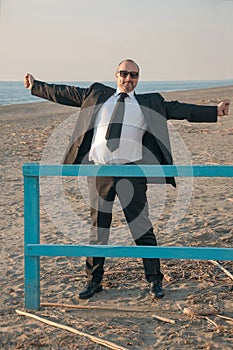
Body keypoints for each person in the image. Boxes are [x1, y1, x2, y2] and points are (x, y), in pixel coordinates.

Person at [24, 59, 230, 300]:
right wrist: (35, 86)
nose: (128, 79)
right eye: (124, 74)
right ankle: (93, 281)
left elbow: (180, 109)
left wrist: (214, 111)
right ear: (116, 75)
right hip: (99, 172)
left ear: (138, 79)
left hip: (132, 174)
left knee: (141, 227)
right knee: (98, 228)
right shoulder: (97, 94)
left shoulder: (149, 103)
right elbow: (65, 93)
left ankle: (154, 281)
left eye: (133, 75)